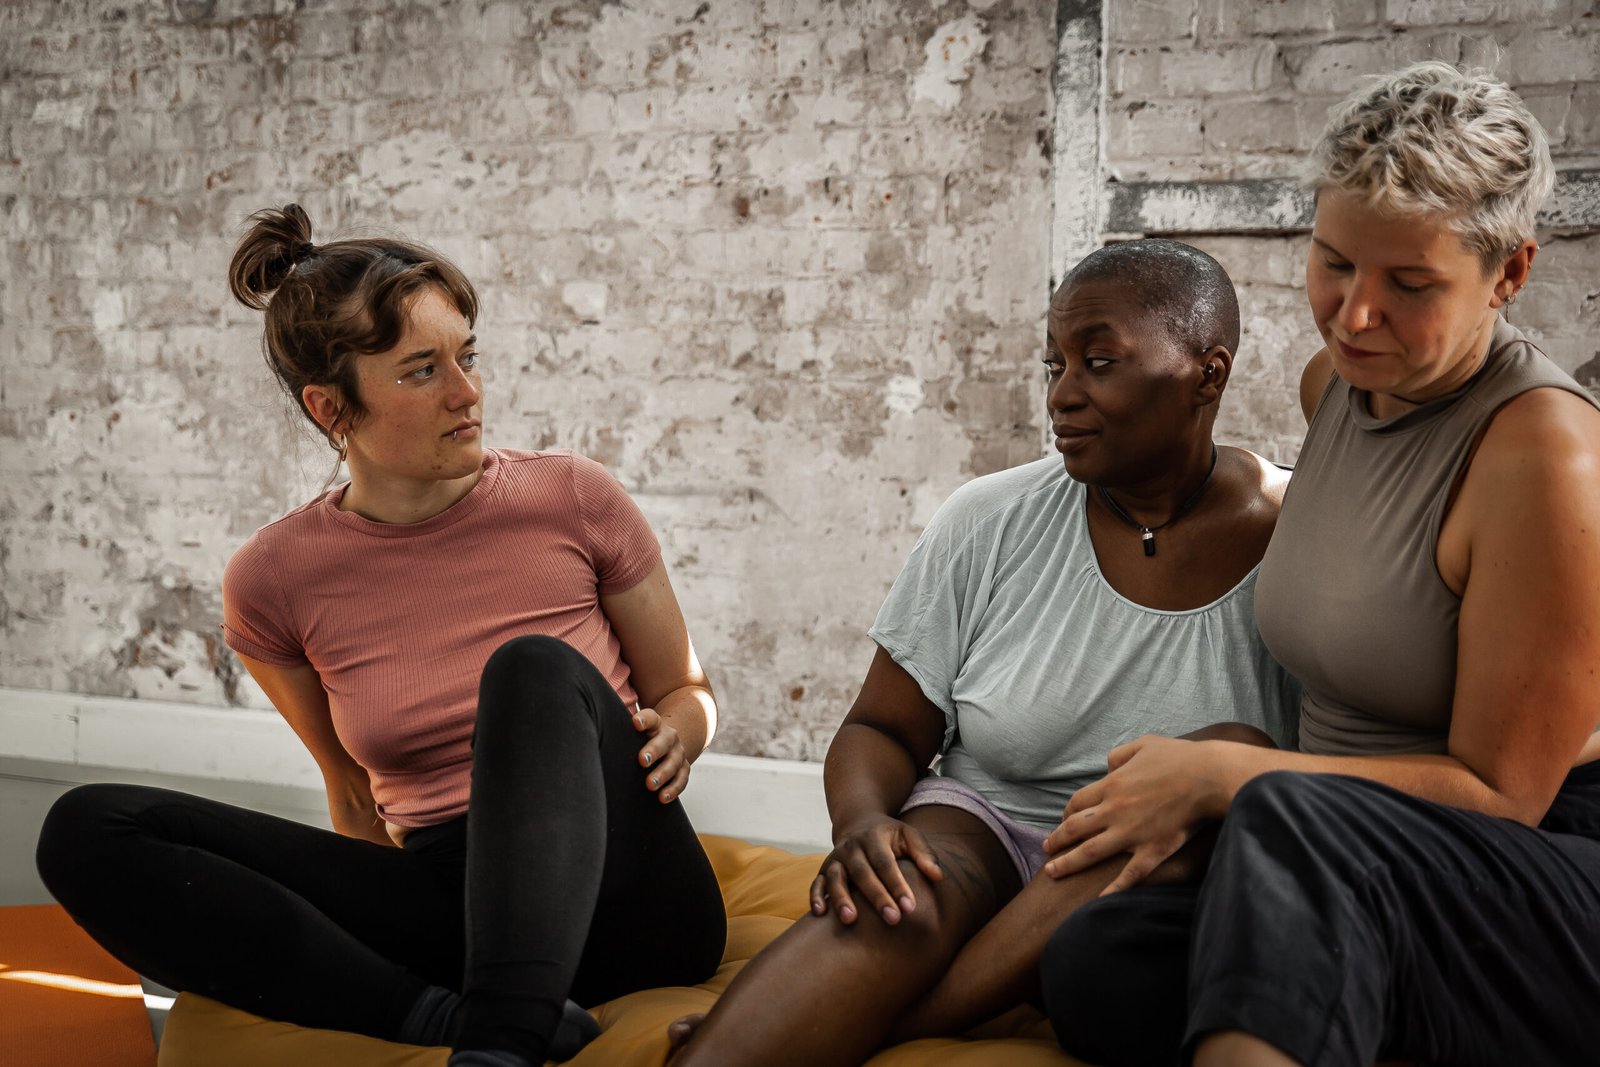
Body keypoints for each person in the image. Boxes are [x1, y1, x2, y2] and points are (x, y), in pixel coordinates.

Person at [34, 205, 727, 1067]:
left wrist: (681, 731)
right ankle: (429, 1017)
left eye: (467, 357)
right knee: (86, 827)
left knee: (534, 669)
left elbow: (685, 692)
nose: (467, 393)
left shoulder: (573, 497)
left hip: (630, 893)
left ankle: (493, 1047)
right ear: (333, 408)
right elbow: (355, 796)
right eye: (421, 371)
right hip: (452, 903)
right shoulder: (274, 580)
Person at [1039, 61, 1600, 1067]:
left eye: (1410, 284)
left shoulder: (1544, 455)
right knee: (1097, 961)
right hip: (1344, 862)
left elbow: (1503, 792)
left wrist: (1227, 774)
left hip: (1539, 867)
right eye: (1333, 262)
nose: (1353, 315)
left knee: (1285, 808)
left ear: (1508, 274)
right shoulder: (1335, 387)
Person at [668, 239, 1301, 1067]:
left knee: (1209, 773)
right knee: (900, 896)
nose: (1062, 396)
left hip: (1157, 878)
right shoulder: (991, 518)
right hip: (985, 826)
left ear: (1207, 375)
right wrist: (862, 822)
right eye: (1055, 364)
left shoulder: (1301, 543)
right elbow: (883, 728)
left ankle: (896, 1024)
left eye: (1099, 362)